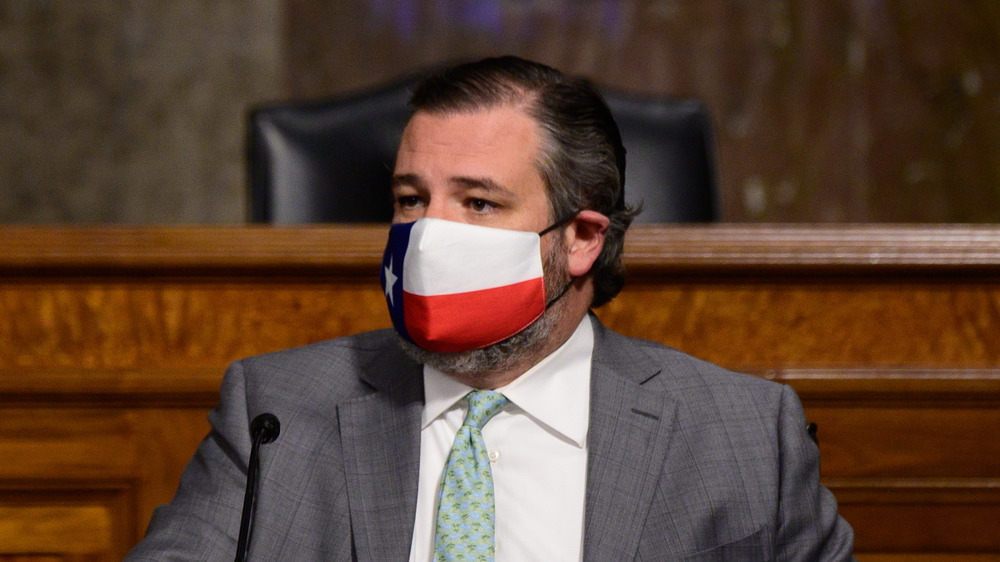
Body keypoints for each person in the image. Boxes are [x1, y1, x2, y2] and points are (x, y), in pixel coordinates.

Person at [126, 56, 854, 561]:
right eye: (411, 199)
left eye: (478, 202)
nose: (430, 233)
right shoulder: (275, 414)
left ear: (581, 240)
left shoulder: (748, 436)